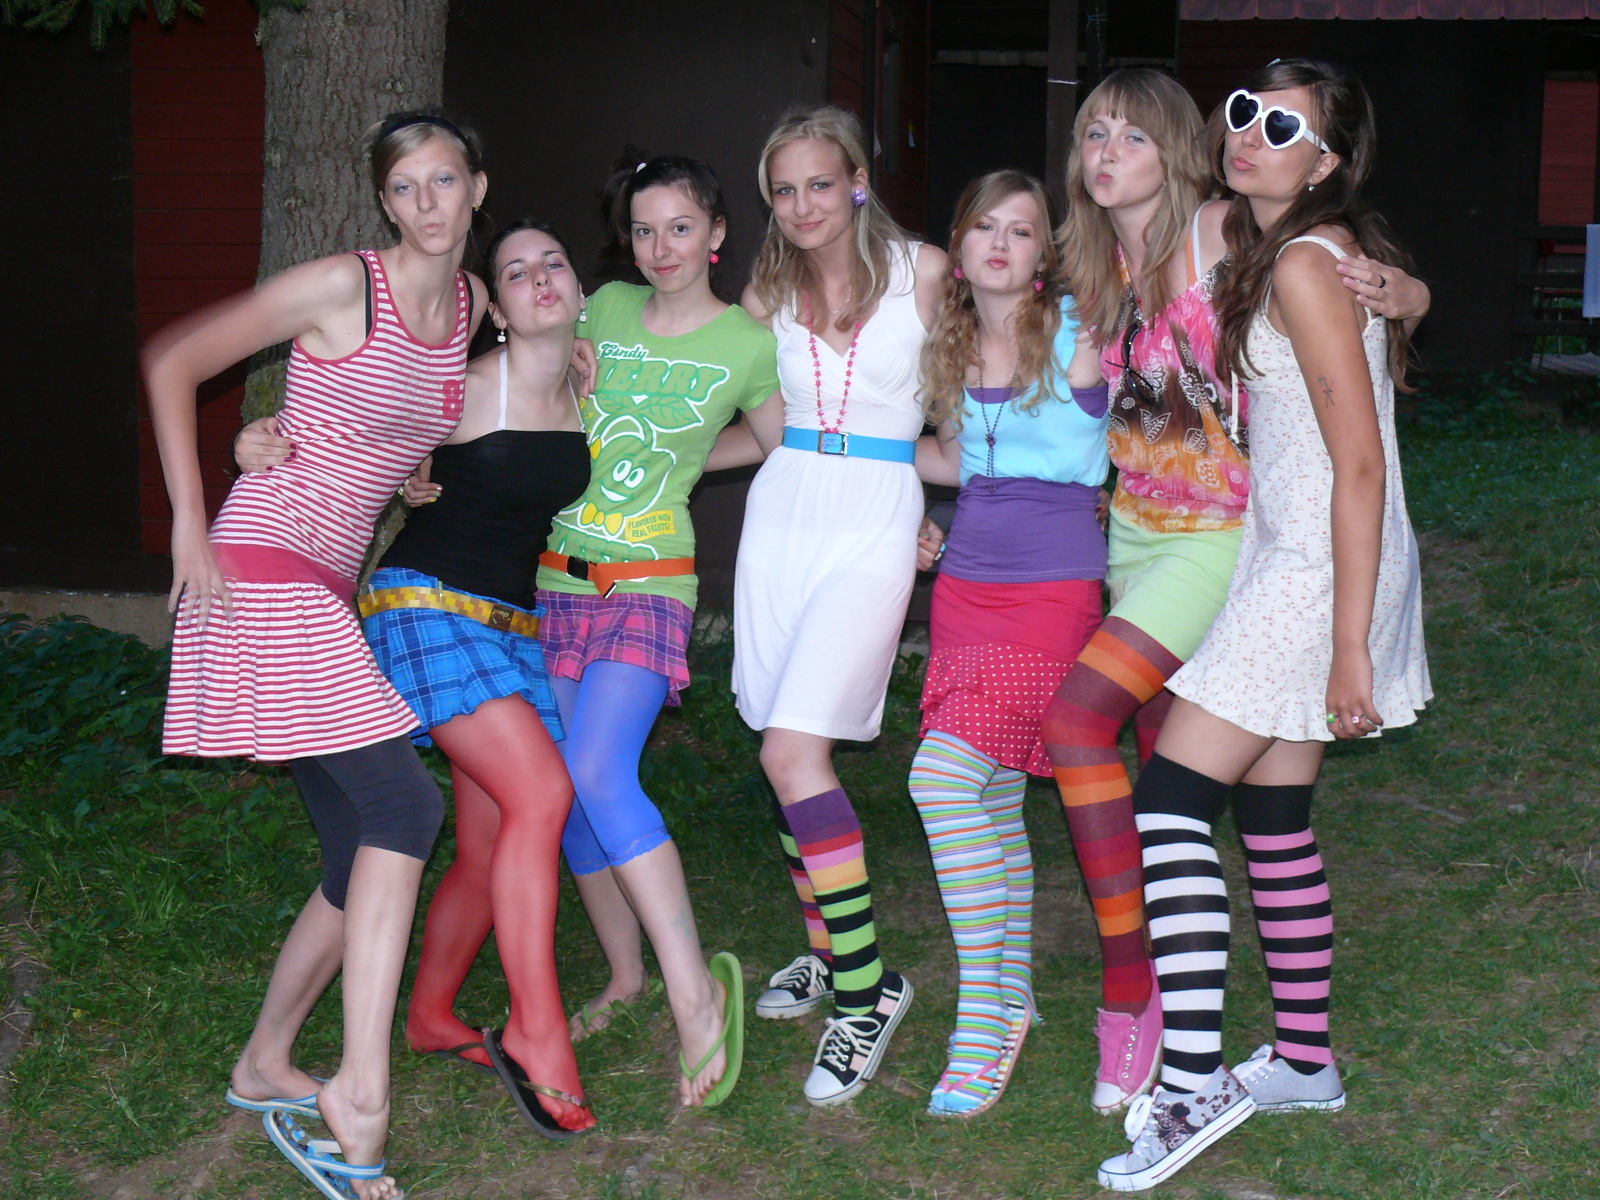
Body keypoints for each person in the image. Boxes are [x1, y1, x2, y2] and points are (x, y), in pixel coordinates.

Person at [1036, 68, 1430, 1115]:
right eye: (1247, 111)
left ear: (1326, 159)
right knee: (1273, 813)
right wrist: (1411, 293)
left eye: (1283, 124)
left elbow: (1359, 463)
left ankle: (1187, 1077)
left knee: (1168, 801)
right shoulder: (1283, 246)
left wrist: (1351, 644)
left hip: (1305, 562)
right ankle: (1304, 1062)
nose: (1251, 131)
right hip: (1283, 548)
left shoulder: (1286, 254)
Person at [148, 111, 488, 1200]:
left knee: (356, 849)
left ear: (476, 190)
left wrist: (411, 475)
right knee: (405, 809)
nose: (426, 203)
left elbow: (390, 421)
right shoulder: (346, 286)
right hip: (263, 558)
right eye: (405, 187)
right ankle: (361, 1093)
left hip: (328, 582)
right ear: (384, 202)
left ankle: (264, 1062)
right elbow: (172, 360)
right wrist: (190, 518)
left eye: (444, 181)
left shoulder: (470, 307)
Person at [539, 153, 781, 1107]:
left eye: (680, 227)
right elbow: (532, 386)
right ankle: (625, 975)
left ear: (716, 233)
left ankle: (694, 997)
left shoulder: (745, 343)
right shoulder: (599, 307)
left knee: (600, 770)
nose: (661, 246)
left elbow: (776, 442)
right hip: (559, 575)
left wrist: (684, 459)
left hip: (652, 582)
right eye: (643, 230)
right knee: (571, 792)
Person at [358, 220, 596, 1138]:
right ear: (496, 306)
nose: (540, 278)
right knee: (543, 793)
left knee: (492, 840)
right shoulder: (458, 389)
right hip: (423, 604)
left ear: (578, 290)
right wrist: (393, 478)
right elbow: (356, 437)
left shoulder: (584, 382)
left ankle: (429, 1014)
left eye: (554, 263)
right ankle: (539, 1030)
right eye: (516, 271)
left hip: (510, 626)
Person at [728, 104, 946, 1107]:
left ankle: (866, 995)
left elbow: (983, 403)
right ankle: (822, 952)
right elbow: (752, 423)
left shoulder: (925, 273)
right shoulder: (764, 292)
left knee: (792, 751)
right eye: (784, 190)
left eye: (820, 183)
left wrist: (951, 517)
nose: (802, 204)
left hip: (875, 519)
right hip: (783, 517)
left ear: (858, 180)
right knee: (783, 738)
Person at [906, 170, 1109, 1117]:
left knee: (938, 781)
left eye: (1020, 231)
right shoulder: (946, 344)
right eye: (983, 225)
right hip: (965, 588)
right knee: (988, 798)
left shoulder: (1079, 329)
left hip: (1053, 590)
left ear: (1043, 254)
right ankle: (1013, 992)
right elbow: (955, 459)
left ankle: (981, 1019)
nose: (999, 243)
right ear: (959, 243)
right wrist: (864, 469)